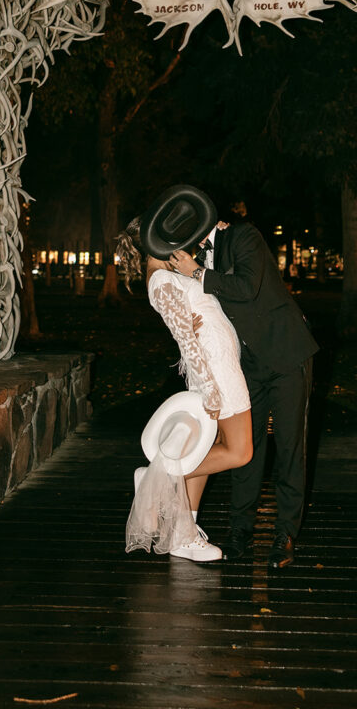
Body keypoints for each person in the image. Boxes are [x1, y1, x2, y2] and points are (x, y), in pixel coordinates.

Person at [169, 190, 319, 568]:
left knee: (289, 448)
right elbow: (208, 304)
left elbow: (247, 287)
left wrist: (198, 274)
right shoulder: (197, 260)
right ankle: (240, 530)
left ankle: (285, 533)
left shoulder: (243, 235)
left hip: (286, 355)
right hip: (246, 366)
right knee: (246, 452)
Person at [114, 187, 253, 563]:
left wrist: (215, 234)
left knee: (204, 450)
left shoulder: (171, 274)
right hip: (216, 371)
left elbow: (204, 293)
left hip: (219, 365)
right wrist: (210, 388)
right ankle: (158, 483)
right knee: (240, 451)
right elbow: (186, 340)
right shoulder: (160, 282)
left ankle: (182, 532)